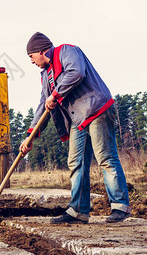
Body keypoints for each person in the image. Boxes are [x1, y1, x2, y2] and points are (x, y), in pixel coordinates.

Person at [20, 32, 131, 224]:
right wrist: (31, 135)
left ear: (40, 51)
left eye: (31, 56)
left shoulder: (67, 51)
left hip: (96, 109)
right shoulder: (46, 75)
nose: (31, 62)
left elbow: (76, 72)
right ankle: (78, 211)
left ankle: (120, 206)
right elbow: (42, 104)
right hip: (77, 119)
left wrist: (55, 94)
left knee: (105, 157)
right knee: (76, 162)